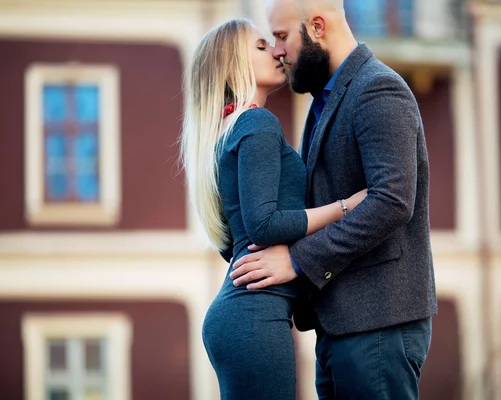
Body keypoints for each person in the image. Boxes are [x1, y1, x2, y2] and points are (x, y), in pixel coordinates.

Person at [229, 0, 438, 398]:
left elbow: (392, 201)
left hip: (378, 324)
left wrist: (296, 260)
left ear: (318, 27)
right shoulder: (323, 100)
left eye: (282, 36)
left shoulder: (378, 88)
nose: (277, 50)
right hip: (342, 325)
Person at [179, 18, 367, 400]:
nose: (278, 52)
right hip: (254, 317)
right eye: (262, 47)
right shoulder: (257, 123)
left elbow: (235, 240)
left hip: (239, 316)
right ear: (236, 63)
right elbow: (263, 226)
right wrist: (345, 207)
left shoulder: (227, 130)